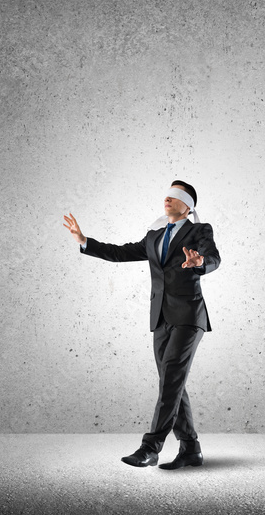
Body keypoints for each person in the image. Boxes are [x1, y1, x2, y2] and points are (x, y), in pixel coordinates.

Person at [62, 180, 220, 470]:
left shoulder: (199, 230)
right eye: (167, 195)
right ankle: (190, 449)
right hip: (160, 317)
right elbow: (121, 253)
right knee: (171, 382)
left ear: (188, 206)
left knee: (172, 375)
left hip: (189, 316)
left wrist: (199, 262)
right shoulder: (154, 235)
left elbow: (213, 258)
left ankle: (150, 447)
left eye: (176, 196)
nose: (168, 199)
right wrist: (84, 240)